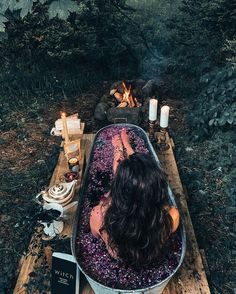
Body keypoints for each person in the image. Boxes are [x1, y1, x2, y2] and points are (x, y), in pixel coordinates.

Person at [90, 128, 179, 267]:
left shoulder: (99, 216)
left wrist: (119, 148)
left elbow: (95, 236)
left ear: (119, 194)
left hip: (119, 242)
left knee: (122, 182)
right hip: (151, 250)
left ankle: (119, 152)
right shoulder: (172, 216)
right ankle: (124, 150)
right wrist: (127, 145)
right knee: (133, 178)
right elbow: (140, 179)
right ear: (157, 190)